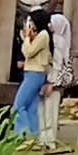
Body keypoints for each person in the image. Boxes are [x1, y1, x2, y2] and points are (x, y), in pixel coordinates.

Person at [14, 11, 56, 141]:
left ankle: (22, 135)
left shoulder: (43, 35)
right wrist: (26, 37)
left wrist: (26, 38)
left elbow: (28, 51)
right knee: (31, 107)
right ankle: (34, 135)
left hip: (34, 73)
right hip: (33, 73)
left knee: (18, 105)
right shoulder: (40, 36)